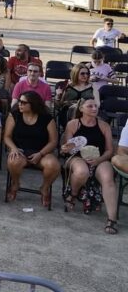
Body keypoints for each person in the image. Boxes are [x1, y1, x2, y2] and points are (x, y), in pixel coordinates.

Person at [60, 98, 118, 234]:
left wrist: (99, 160)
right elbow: (69, 147)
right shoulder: (73, 124)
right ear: (81, 109)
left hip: (100, 158)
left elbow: (110, 150)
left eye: (95, 106)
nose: (94, 108)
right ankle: (74, 193)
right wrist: (65, 148)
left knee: (107, 178)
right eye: (90, 106)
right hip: (78, 157)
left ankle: (112, 218)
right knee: (82, 171)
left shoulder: (104, 126)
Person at [3, 91, 60, 207]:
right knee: (14, 161)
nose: (20, 104)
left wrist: (40, 153)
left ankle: (45, 188)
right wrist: (13, 148)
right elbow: (7, 136)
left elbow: (53, 141)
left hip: (41, 152)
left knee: (53, 165)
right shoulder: (14, 115)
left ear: (33, 104)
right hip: (20, 150)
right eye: (19, 101)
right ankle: (15, 183)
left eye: (23, 102)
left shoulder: (46, 118)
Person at [55, 63, 99, 129]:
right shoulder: (67, 86)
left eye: (87, 73)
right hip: (68, 113)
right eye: (82, 73)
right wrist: (58, 96)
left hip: (87, 112)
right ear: (76, 73)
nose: (85, 75)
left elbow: (97, 104)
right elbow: (58, 105)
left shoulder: (93, 86)